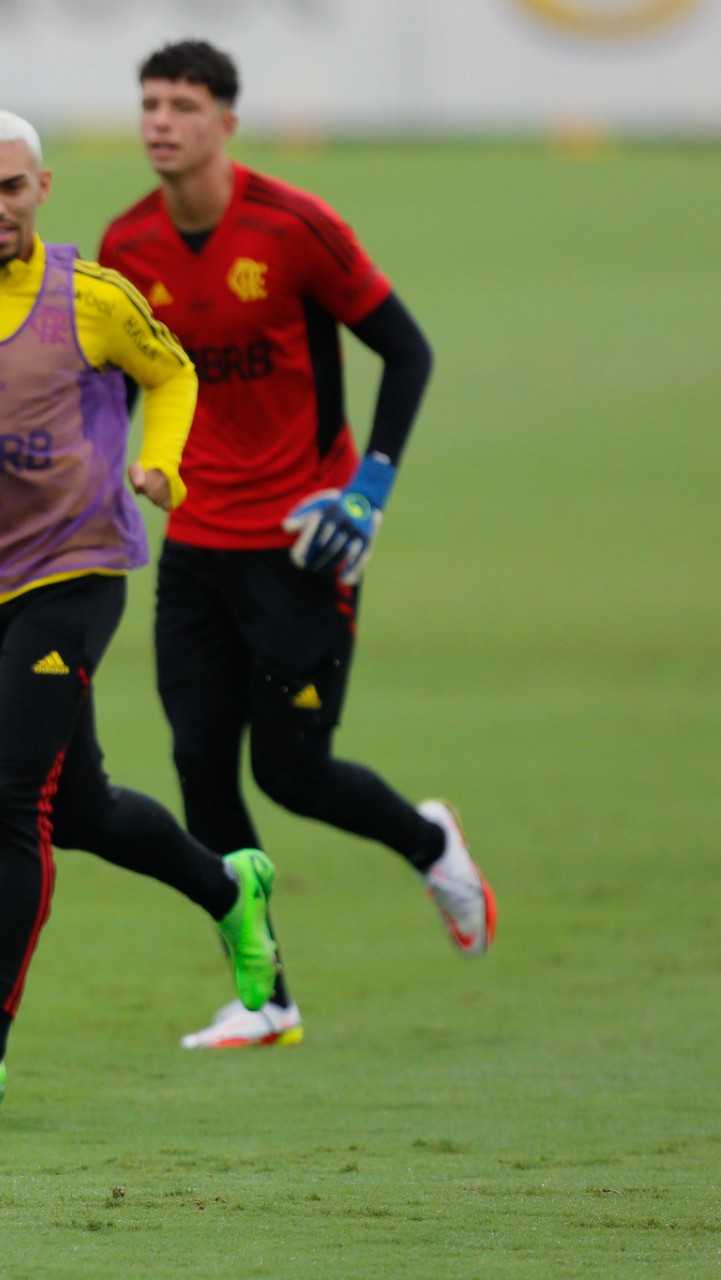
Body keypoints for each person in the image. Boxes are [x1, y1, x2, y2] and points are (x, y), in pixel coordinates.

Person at [0, 108, 281, 1112]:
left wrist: (161, 463)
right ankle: (231, 887)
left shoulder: (93, 297)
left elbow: (171, 371)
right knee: (76, 807)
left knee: (10, 794)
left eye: (12, 186)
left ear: (43, 187)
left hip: (81, 569)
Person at [98, 41, 497, 1051]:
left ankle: (429, 840)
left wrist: (368, 491)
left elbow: (407, 349)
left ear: (226, 122)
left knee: (293, 772)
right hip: (194, 539)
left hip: (300, 541)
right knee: (199, 766)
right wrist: (138, 462)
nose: (160, 121)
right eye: (149, 103)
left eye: (182, 104)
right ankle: (266, 993)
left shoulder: (294, 228)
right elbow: (120, 378)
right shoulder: (127, 243)